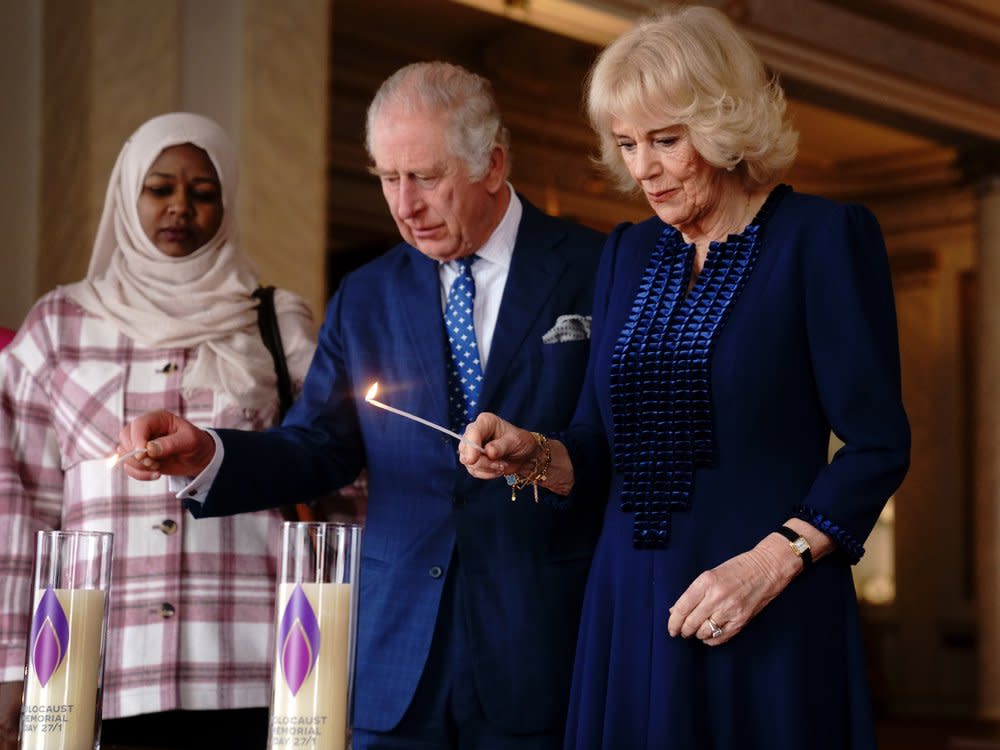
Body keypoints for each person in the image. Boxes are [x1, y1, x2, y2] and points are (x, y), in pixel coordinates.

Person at [118, 62, 606, 749]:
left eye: (426, 177)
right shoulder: (366, 294)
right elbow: (319, 446)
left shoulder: (599, 268)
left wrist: (545, 457)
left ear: (492, 165)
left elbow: (621, 446)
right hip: (395, 657)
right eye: (387, 178)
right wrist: (209, 452)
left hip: (544, 646)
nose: (404, 205)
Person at [460, 7, 911, 750]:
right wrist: (531, 453)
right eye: (629, 144)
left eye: (666, 140)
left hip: (768, 607)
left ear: (725, 124)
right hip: (628, 609)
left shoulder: (824, 239)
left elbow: (876, 446)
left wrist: (773, 562)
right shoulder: (628, 254)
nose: (643, 168)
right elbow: (597, 446)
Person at [0, 112, 316, 749]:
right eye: (159, 188)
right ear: (127, 194)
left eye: (203, 193)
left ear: (225, 204)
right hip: (93, 667)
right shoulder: (58, 325)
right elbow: (20, 504)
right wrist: (10, 664)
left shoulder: (277, 323)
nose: (180, 207)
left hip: (255, 662)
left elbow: (329, 468)